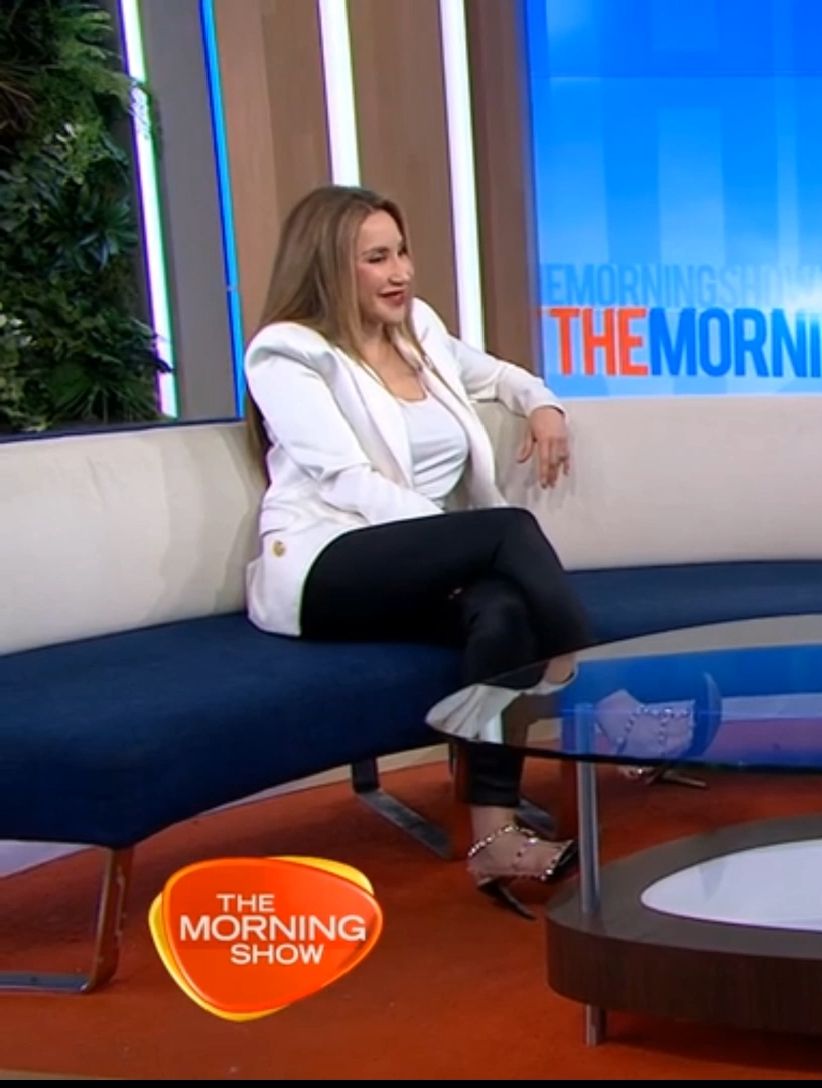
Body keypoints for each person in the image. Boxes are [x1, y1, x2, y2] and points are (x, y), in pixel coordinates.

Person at [242, 184, 595, 916]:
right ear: (329, 265)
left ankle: (495, 837)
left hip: (418, 557)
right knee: (506, 534)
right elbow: (347, 480)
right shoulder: (287, 354)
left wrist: (544, 405)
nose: (400, 271)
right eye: (376, 258)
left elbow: (500, 376)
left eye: (401, 252)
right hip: (325, 562)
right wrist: (450, 545)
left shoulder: (418, 330)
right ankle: (596, 686)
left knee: (501, 612)